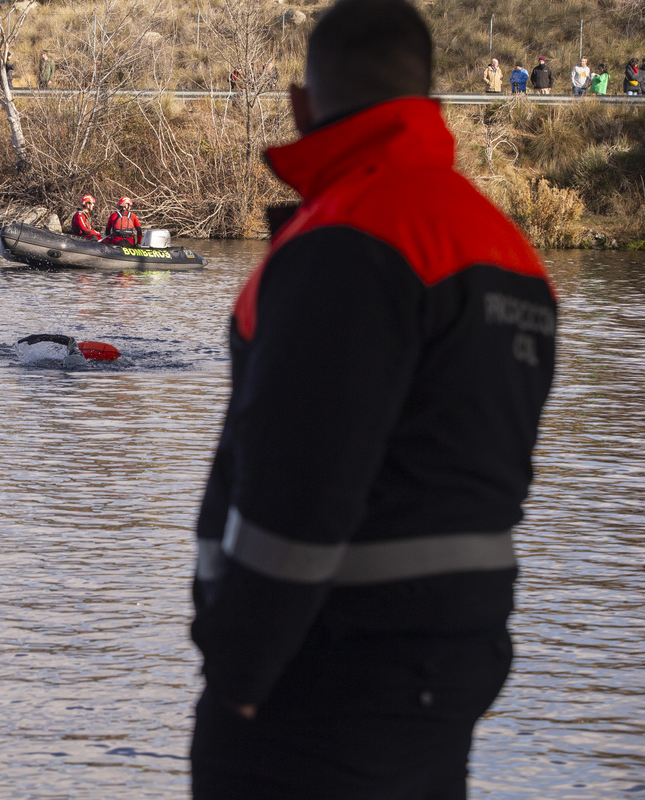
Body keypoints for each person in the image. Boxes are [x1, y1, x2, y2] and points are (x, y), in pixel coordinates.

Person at [189, 0, 557, 796]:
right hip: (454, 655)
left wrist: (240, 672)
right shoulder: (505, 247)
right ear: (432, 105)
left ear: (301, 104)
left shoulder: (350, 240)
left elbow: (303, 487)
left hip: (323, 673)